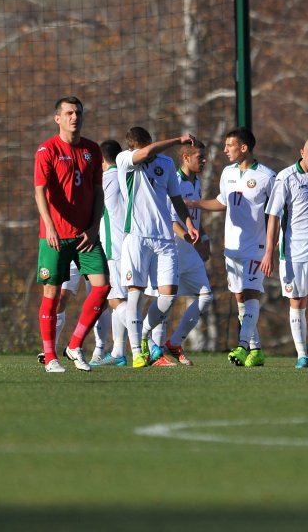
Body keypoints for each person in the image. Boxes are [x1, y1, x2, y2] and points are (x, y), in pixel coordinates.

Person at [185, 127, 276, 367]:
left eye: (229, 145)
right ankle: (256, 350)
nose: (225, 150)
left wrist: (270, 250)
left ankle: (243, 345)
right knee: (239, 297)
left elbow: (277, 214)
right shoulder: (227, 173)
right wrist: (193, 203)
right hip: (232, 246)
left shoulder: (268, 176)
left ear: (244, 147)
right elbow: (221, 202)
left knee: (250, 294)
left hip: (256, 247)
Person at [34, 96, 111, 373]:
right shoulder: (47, 150)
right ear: (58, 118)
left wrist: (93, 227)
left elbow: (98, 192)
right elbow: (40, 191)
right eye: (68, 113)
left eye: (77, 112)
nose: (74, 117)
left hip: (85, 237)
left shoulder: (92, 150)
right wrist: (50, 227)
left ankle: (75, 345)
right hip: (54, 237)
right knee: (52, 294)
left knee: (102, 287)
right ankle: (50, 356)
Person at [116, 126, 199, 368]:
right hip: (137, 237)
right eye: (145, 151)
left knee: (169, 294)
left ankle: (143, 335)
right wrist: (177, 140)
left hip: (163, 238)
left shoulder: (165, 163)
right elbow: (145, 153)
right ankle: (137, 353)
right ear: (134, 149)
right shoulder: (125, 160)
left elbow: (175, 198)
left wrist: (189, 222)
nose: (150, 156)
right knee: (136, 295)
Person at [259, 137, 308, 369]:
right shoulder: (285, 178)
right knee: (298, 302)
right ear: (302, 152)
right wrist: (269, 251)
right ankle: (302, 354)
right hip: (294, 252)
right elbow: (273, 216)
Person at [150, 140, 214, 366]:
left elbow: (193, 219)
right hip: (174, 251)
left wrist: (203, 238)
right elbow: (171, 221)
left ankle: (174, 343)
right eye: (199, 156)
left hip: (190, 252)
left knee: (206, 296)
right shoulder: (174, 180)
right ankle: (153, 352)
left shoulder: (196, 181)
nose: (204, 160)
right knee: (165, 301)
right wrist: (192, 241)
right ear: (186, 158)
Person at [90, 139, 130, 367]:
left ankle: (146, 341)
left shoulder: (106, 179)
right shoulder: (129, 177)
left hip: (113, 248)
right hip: (132, 244)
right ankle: (118, 352)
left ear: (101, 159)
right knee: (124, 298)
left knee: (115, 300)